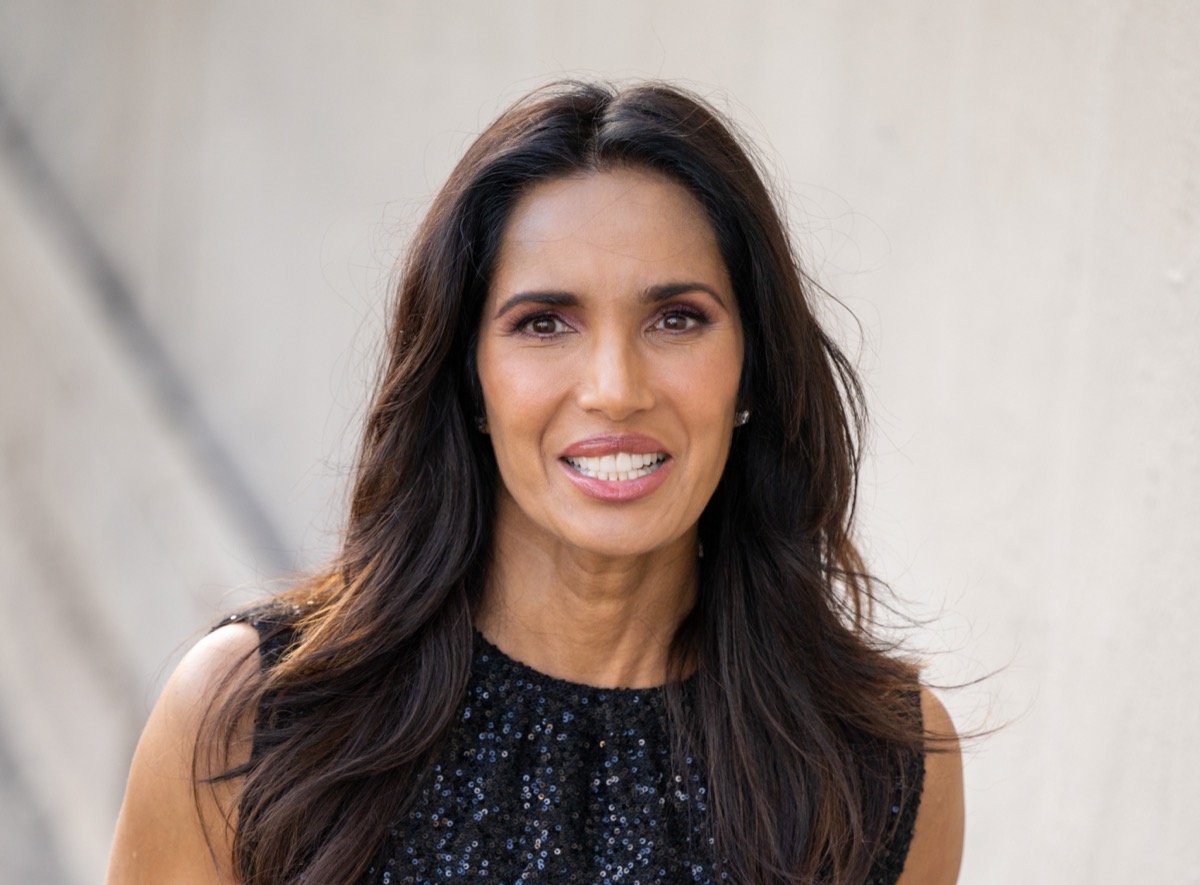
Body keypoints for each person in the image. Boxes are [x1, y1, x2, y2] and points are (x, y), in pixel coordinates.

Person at [105, 80, 964, 885]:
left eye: (677, 318)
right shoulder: (251, 717)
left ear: (753, 369)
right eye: (544, 322)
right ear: (469, 377)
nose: (615, 386)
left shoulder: (882, 766)